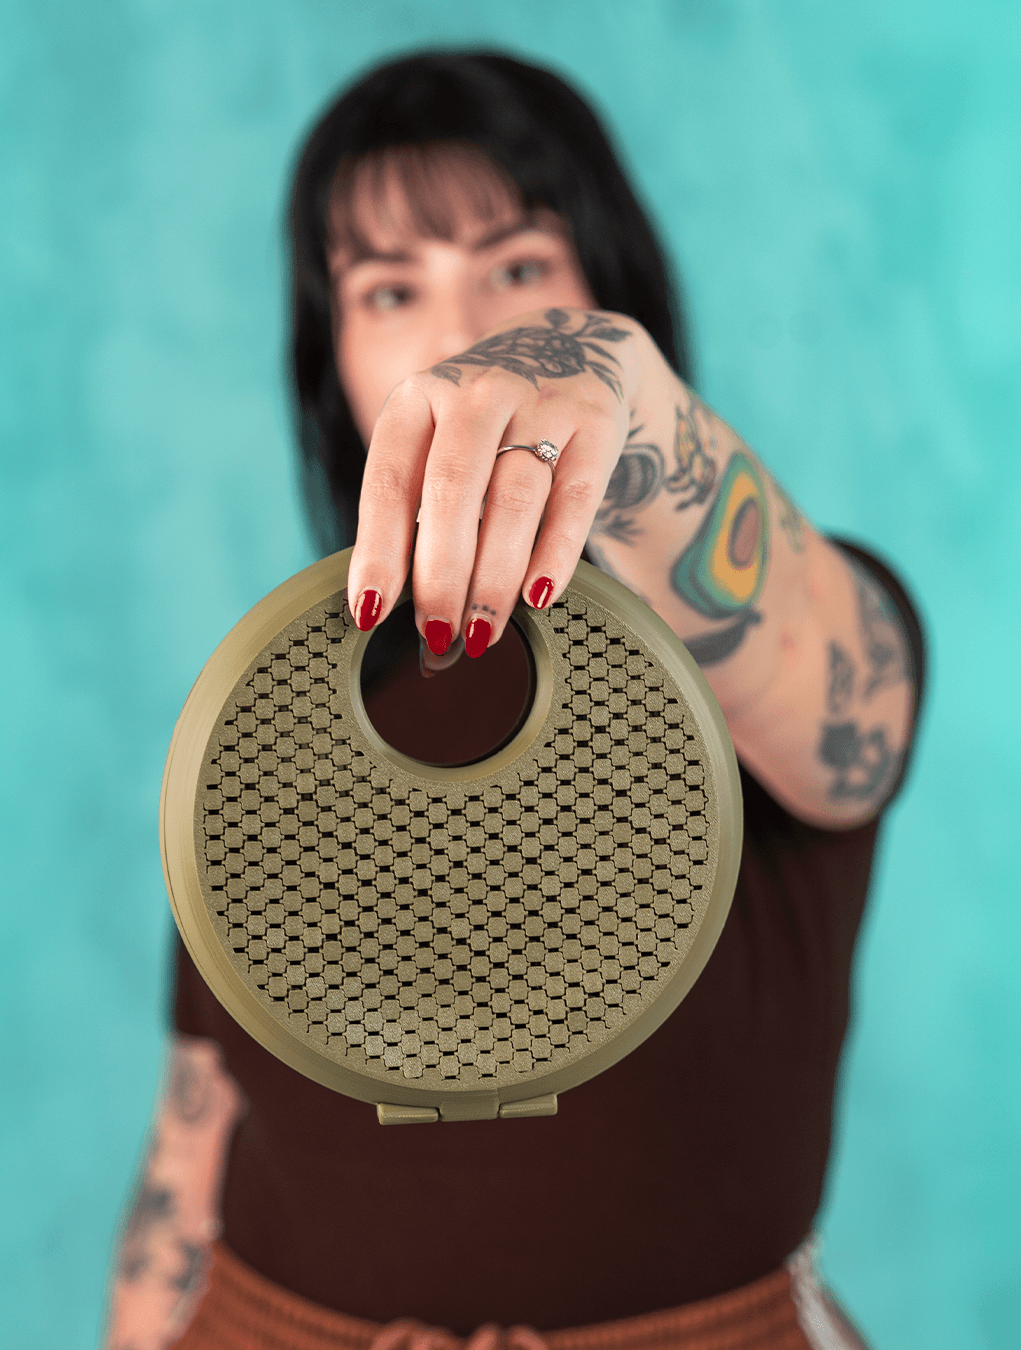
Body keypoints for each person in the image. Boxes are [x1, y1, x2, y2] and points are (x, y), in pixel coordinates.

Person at [103, 51, 924, 1350]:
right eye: (389, 289)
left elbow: (853, 739)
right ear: (333, 358)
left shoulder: (768, 628)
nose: (464, 331)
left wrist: (611, 381)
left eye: (521, 265)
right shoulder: (274, 713)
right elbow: (192, 1133)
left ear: (614, 291)